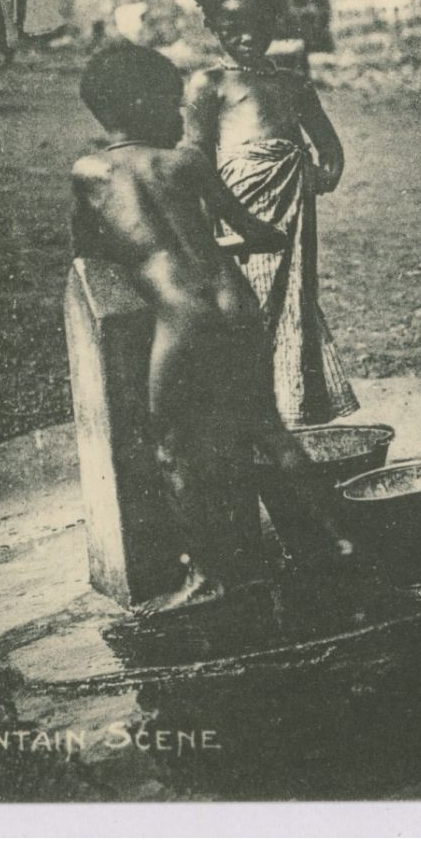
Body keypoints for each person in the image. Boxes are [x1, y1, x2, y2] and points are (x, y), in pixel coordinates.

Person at [70, 43, 310, 617]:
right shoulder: (187, 164)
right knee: (268, 430)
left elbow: (87, 258)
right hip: (235, 303)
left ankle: (210, 576)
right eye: (174, 106)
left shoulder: (89, 172)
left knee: (172, 446)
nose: (182, 117)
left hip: (182, 319)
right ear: (141, 104)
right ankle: (329, 546)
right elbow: (263, 234)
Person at [183, 0, 359, 428]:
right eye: (231, 28)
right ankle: (249, 418)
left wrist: (318, 175)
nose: (245, 38)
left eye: (256, 26)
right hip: (238, 219)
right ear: (212, 26)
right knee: (246, 309)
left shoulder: (291, 82)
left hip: (292, 217)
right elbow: (196, 161)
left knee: (293, 302)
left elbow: (330, 147)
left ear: (273, 22)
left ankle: (294, 411)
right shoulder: (209, 85)